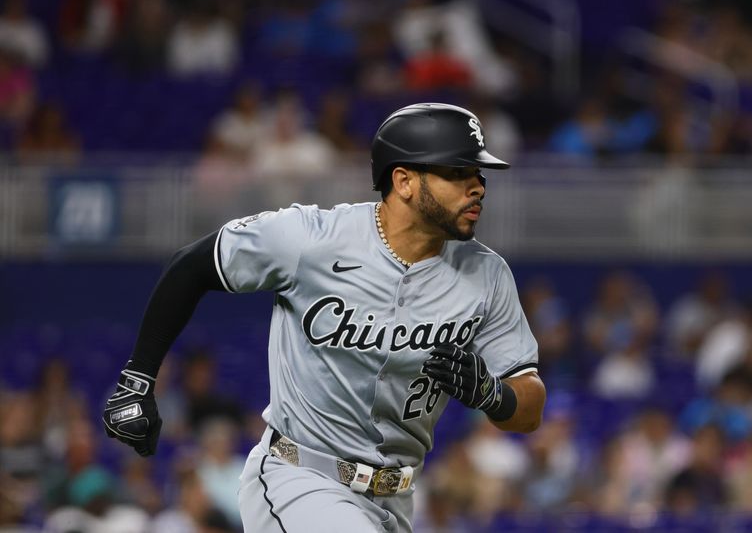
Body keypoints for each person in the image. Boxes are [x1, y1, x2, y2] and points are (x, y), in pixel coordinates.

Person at [101, 102, 547, 532]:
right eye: (457, 172)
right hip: (300, 478)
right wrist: (137, 379)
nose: (478, 186)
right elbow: (193, 265)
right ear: (404, 180)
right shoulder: (312, 239)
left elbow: (529, 409)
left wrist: (491, 394)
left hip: (397, 499)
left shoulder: (487, 275)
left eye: (478, 173)